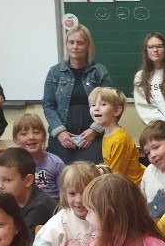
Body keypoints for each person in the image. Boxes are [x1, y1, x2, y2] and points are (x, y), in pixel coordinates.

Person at [43, 26, 113, 164]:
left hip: (92, 136)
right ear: (66, 45)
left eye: (80, 43)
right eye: (71, 42)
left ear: (88, 46)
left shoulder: (100, 71)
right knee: (62, 174)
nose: (75, 47)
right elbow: (48, 105)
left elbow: (110, 104)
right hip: (62, 137)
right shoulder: (54, 72)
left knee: (91, 173)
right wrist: (60, 132)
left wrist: (94, 130)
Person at [34, 161, 105, 246]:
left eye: (85, 193)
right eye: (72, 193)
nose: (79, 200)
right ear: (64, 193)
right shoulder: (59, 223)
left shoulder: (106, 217)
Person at [0, 113, 64, 200]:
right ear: (15, 139)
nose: (31, 137)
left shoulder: (56, 163)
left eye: (36, 133)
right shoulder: (7, 164)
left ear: (44, 136)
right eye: (24, 134)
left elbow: (64, 198)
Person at [0, 147, 58, 234]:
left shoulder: (39, 208)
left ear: (28, 180)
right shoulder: (13, 201)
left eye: (7, 180)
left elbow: (24, 241)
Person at [89, 87, 144, 184]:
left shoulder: (119, 139)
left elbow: (114, 176)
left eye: (103, 104)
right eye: (93, 105)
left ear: (117, 111)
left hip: (132, 187)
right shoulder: (107, 134)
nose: (96, 108)